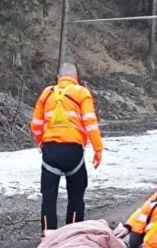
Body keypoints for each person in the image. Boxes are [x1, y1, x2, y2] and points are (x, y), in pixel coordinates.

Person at [30, 62, 103, 238]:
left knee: (49, 197)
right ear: (76, 77)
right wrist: (98, 149)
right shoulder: (81, 92)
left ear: (58, 77)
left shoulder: (47, 93)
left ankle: (48, 237)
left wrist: (41, 142)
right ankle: (73, 235)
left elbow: (36, 124)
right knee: (76, 196)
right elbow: (90, 123)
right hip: (74, 152)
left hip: (51, 151)